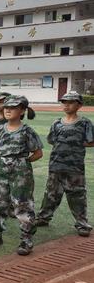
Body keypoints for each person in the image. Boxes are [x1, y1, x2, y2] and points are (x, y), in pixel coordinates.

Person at [0, 95, 43, 255]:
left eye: (13, 108)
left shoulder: (27, 131)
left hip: (21, 175)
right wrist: (4, 159)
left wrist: (22, 162)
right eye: (6, 107)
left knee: (23, 205)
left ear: (22, 111)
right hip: (1, 172)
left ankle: (26, 240)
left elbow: (38, 153)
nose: (8, 110)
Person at [36, 91, 94, 237]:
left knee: (77, 195)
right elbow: (51, 140)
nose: (66, 105)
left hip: (75, 167)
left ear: (79, 105)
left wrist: (74, 144)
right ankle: (43, 217)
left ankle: (82, 223)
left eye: (71, 102)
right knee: (51, 194)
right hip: (56, 164)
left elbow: (91, 141)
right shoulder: (56, 123)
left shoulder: (85, 123)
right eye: (64, 102)